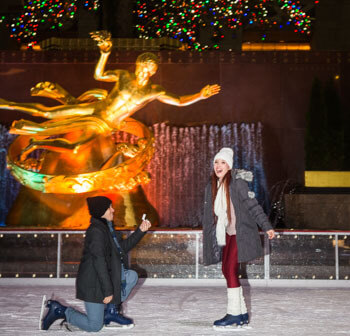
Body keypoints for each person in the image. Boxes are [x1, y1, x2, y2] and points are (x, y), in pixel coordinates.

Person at [0, 31, 220, 157]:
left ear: (153, 70)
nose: (146, 68)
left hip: (106, 124)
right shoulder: (123, 76)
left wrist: (200, 95)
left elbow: (180, 101)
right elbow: (99, 75)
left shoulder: (154, 91)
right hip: (96, 108)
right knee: (48, 113)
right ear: (137, 65)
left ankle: (36, 143)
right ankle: (7, 104)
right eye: (144, 64)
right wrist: (105, 53)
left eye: (150, 66)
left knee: (75, 147)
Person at [41, 195, 152, 331]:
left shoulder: (107, 229)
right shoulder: (96, 231)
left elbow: (120, 249)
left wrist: (140, 231)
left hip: (103, 278)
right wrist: (108, 291)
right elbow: (99, 262)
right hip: (93, 283)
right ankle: (60, 310)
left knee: (131, 276)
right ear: (102, 212)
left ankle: (111, 311)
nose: (113, 210)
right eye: (110, 207)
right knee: (94, 326)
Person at [202, 147, 275, 330]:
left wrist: (267, 226)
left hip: (240, 234)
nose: (218, 166)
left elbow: (253, 206)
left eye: (223, 162)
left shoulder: (237, 183)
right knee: (227, 271)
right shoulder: (214, 186)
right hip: (227, 234)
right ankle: (241, 313)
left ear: (229, 166)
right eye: (216, 162)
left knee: (229, 269)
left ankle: (234, 314)